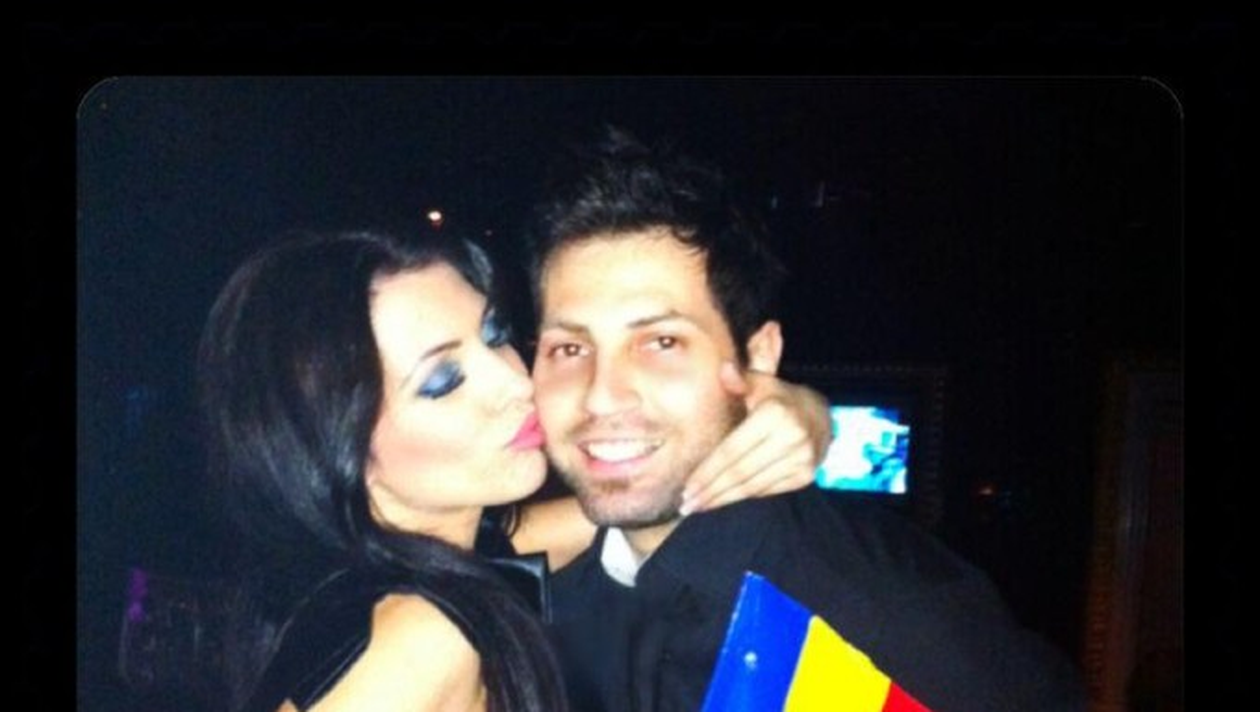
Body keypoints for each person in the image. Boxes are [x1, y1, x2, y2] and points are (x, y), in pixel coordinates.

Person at [528, 128, 1089, 711]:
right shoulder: (547, 603)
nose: (601, 396)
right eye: (570, 348)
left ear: (759, 357)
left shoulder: (875, 624)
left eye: (662, 342)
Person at [197, 227, 830, 711]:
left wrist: (801, 415)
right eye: (443, 381)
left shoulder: (448, 559)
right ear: (339, 450)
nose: (516, 382)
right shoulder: (419, 638)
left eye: (495, 333)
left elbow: (638, 500)